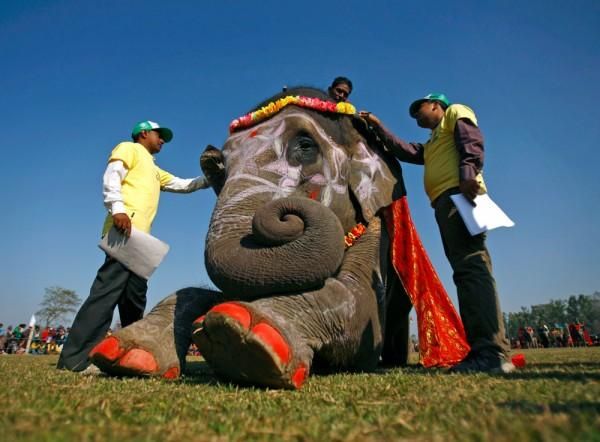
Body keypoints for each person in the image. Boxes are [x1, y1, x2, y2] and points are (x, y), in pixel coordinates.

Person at [359, 93, 514, 373]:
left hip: (460, 195)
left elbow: (472, 140)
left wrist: (467, 173)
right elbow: (404, 150)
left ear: (436, 105)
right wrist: (378, 126)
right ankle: (484, 350)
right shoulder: (432, 143)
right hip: (446, 202)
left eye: (419, 109)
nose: (416, 116)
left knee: (471, 268)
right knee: (464, 271)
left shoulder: (455, 112)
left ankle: (491, 352)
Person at [57, 120, 212, 372]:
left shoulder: (153, 168)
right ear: (143, 134)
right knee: (106, 293)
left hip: (141, 243)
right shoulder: (128, 148)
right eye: (159, 135)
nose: (162, 140)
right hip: (123, 230)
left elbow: (183, 185)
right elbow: (112, 177)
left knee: (134, 299)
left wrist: (210, 179)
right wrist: (117, 210)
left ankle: (127, 352)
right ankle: (75, 359)